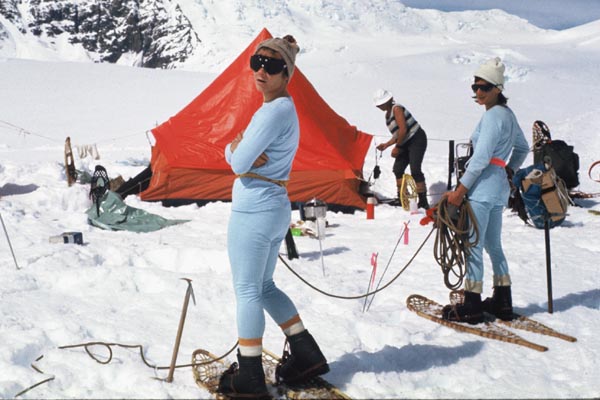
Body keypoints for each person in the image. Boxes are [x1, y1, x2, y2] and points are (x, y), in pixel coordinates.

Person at [218, 35, 329, 398]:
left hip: (254, 209)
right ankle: (306, 354)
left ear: (287, 74)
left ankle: (249, 375)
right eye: (257, 63)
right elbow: (238, 155)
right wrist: (239, 149)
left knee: (248, 290)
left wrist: (238, 147)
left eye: (272, 65)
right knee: (264, 287)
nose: (262, 71)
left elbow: (236, 161)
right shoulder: (285, 109)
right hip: (275, 205)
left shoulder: (271, 112)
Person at [441, 57, 529, 324]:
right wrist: (509, 170)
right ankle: (503, 300)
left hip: (481, 189)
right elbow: (523, 148)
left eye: (484, 87)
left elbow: (480, 158)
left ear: (498, 88)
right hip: (498, 189)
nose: (478, 92)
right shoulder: (509, 116)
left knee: (472, 245)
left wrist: (459, 190)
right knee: (493, 244)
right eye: (475, 87)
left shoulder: (492, 117)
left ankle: (472, 304)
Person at [373, 89, 430, 209]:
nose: (379, 107)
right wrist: (387, 145)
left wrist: (398, 147)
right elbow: (397, 133)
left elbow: (403, 129)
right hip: (405, 141)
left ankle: (423, 201)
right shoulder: (387, 115)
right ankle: (402, 197)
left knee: (415, 169)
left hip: (416, 139)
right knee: (398, 169)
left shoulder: (397, 109)